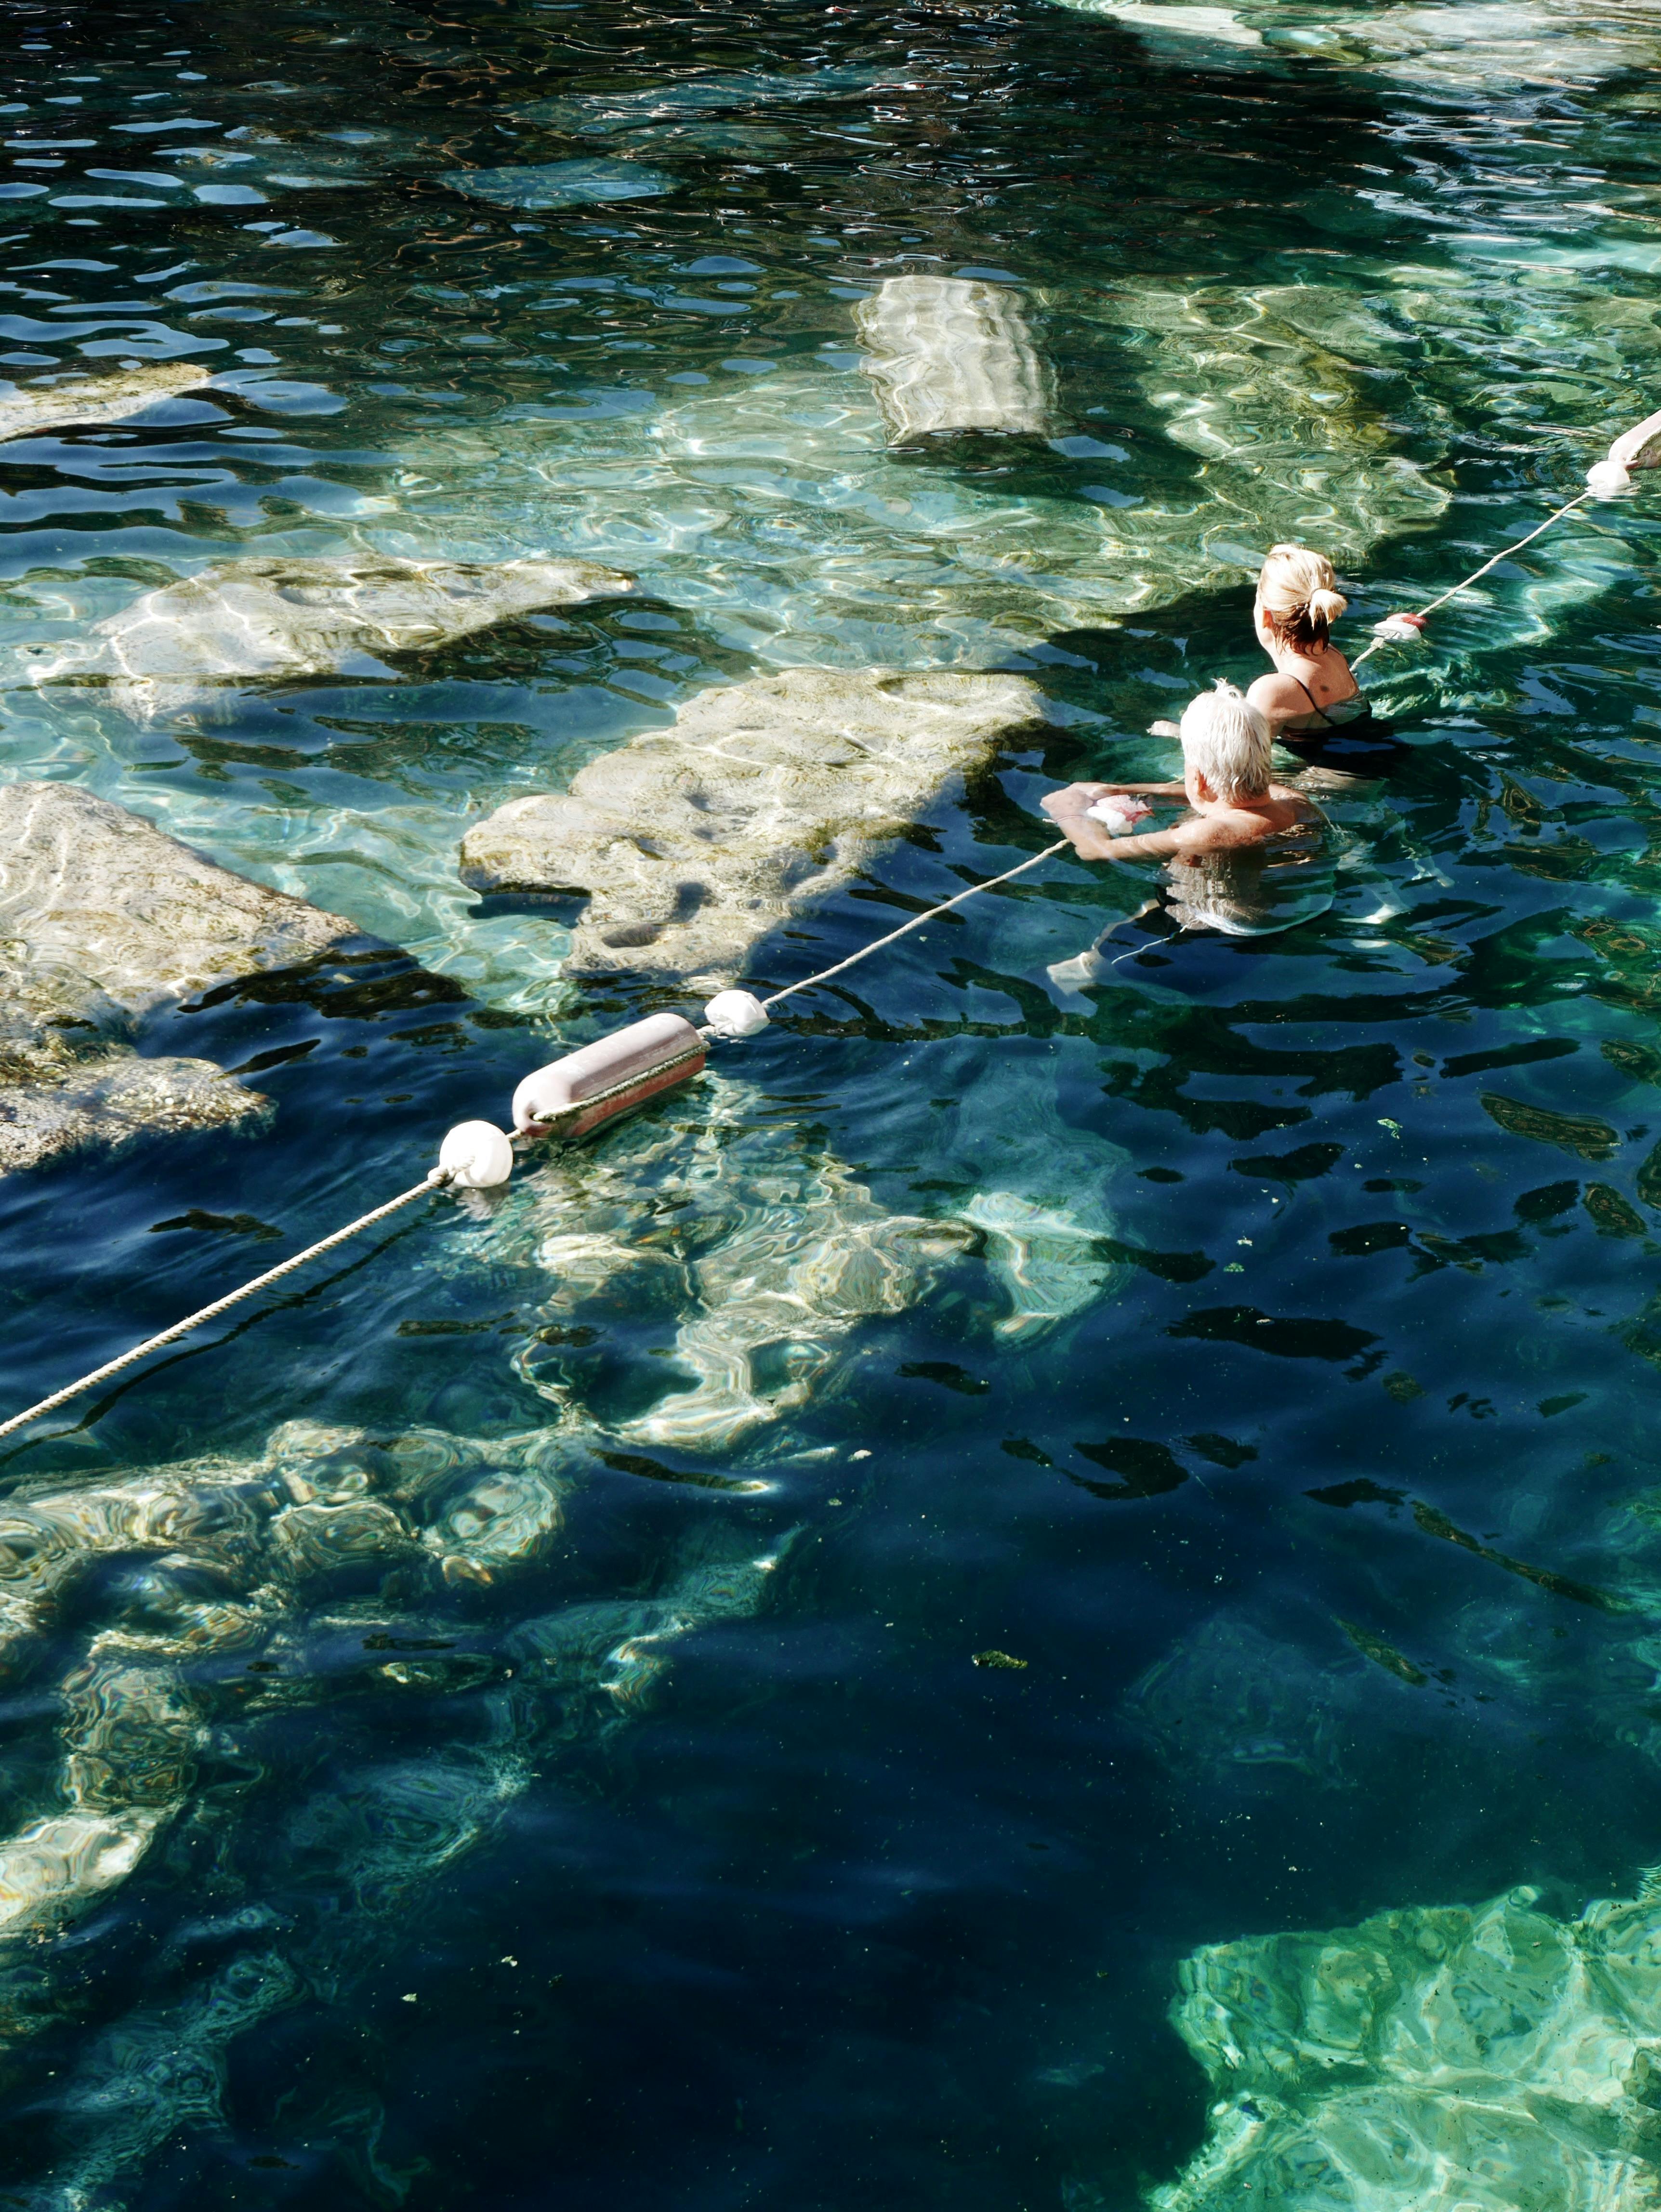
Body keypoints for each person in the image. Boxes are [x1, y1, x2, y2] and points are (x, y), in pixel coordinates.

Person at [1041, 681, 1334, 987]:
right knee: (1173, 892)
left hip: (1224, 946)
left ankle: (1081, 975)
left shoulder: (1205, 834)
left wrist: (1067, 810)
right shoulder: (1292, 800)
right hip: (1304, 913)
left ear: (1200, 778)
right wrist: (1119, 791)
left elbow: (1094, 851)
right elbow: (1196, 792)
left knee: (1109, 954)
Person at [1244, 541, 1378, 756]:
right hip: (1380, 752)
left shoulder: (1271, 692)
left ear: (1265, 615)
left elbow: (1244, 769)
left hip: (1336, 781)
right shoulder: (1333, 656)